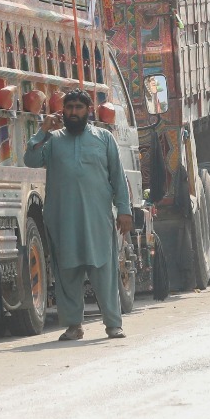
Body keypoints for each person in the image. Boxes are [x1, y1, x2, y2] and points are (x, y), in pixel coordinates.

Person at [23, 89, 132, 341]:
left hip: (97, 219)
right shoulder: (53, 141)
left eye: (78, 108)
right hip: (63, 219)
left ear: (88, 110)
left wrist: (124, 210)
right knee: (67, 272)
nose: (73, 112)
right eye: (69, 107)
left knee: (104, 270)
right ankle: (74, 325)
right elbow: (30, 159)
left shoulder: (104, 138)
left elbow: (117, 176)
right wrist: (43, 131)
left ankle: (113, 324)